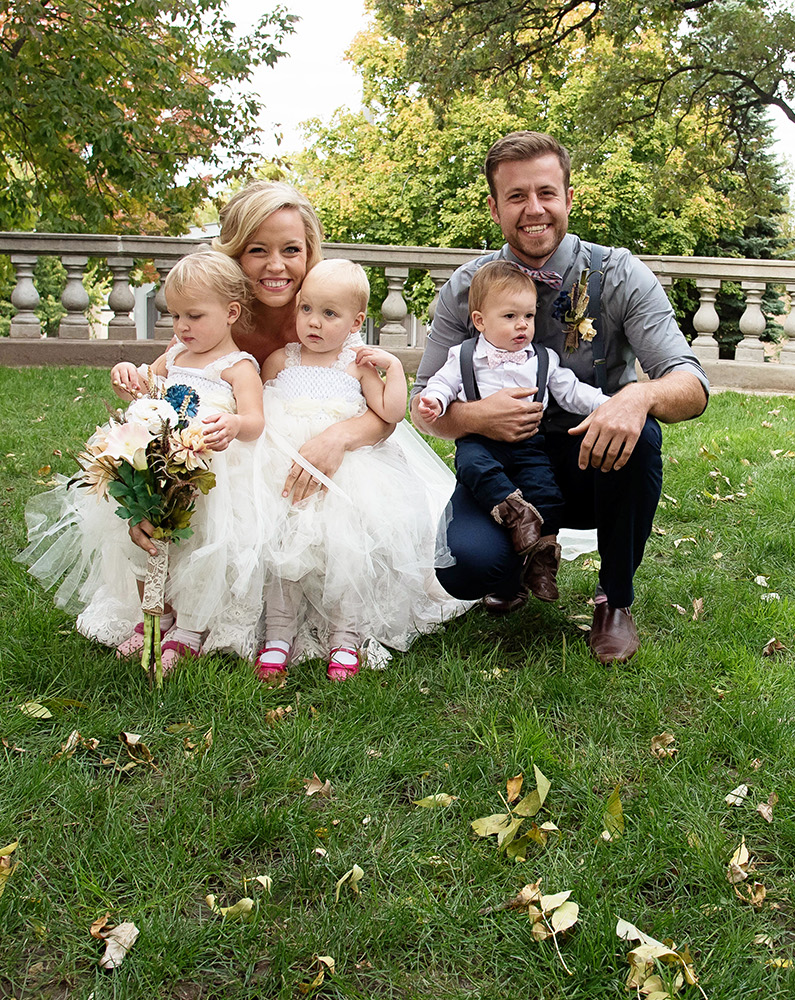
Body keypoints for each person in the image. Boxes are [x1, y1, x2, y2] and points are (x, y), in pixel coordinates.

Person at [411, 131, 708, 664]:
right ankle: (509, 570)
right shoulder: (466, 288)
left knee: (640, 433)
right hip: (504, 469)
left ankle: (613, 600)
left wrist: (636, 397)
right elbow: (422, 406)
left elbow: (690, 383)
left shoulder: (619, 273)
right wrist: (476, 416)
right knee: (465, 570)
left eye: (546, 192)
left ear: (569, 197)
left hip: (593, 462)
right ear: (495, 206)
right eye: (517, 196)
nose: (534, 209)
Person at [20, 251, 274, 674]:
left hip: (209, 477)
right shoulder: (175, 354)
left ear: (231, 313)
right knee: (144, 545)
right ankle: (156, 614)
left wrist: (234, 422)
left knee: (196, 550)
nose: (182, 327)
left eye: (193, 316)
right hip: (156, 468)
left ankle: (191, 629)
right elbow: (147, 388)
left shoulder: (237, 366)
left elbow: (254, 421)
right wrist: (128, 375)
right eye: (175, 316)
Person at [129, 181, 398, 558]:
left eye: (291, 250)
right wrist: (152, 490)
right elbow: (161, 407)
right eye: (258, 251)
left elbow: (384, 415)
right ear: (235, 256)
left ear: (309, 254)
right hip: (233, 472)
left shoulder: (326, 319)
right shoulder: (210, 323)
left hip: (312, 453)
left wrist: (337, 438)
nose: (276, 265)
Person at [257, 260, 469, 682]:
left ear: (356, 322)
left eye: (329, 314)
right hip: (287, 471)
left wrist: (391, 367)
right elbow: (265, 414)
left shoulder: (357, 364)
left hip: (349, 476)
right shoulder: (282, 360)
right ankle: (278, 636)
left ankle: (345, 637)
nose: (313, 323)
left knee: (346, 552)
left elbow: (389, 413)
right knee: (281, 552)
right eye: (306, 309)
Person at [414, 260, 609, 604]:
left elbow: (572, 391)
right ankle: (512, 510)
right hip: (481, 443)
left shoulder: (543, 359)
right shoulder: (465, 356)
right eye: (509, 317)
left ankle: (541, 562)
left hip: (529, 445)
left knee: (548, 494)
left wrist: (606, 404)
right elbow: (441, 384)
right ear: (479, 320)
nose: (522, 325)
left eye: (529, 317)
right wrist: (434, 401)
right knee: (473, 466)